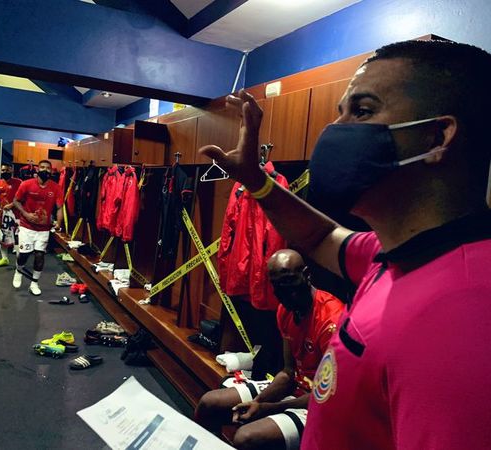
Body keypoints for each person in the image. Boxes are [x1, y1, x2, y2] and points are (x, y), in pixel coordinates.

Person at [199, 40, 491, 449]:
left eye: (362, 111)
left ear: (435, 137)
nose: (335, 130)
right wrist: (255, 180)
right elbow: (321, 237)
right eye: (340, 113)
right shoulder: (393, 254)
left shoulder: (463, 316)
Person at [195, 249, 343, 450]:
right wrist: (258, 401)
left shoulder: (331, 321)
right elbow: (288, 372)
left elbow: (327, 395)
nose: (285, 295)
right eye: (277, 288)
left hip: (322, 403)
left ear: (307, 275)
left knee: (246, 438)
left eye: (289, 283)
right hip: (296, 388)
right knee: (208, 403)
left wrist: (268, 408)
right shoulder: (286, 309)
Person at [12, 160, 63, 296]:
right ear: (37, 169)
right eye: (42, 167)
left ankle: (34, 283)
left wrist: (58, 222)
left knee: (40, 255)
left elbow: (59, 208)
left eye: (48, 168)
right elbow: (16, 201)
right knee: (24, 255)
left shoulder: (56, 187)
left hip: (43, 228)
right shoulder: (26, 184)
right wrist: (26, 214)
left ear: (51, 171)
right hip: (27, 226)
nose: (45, 170)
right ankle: (19, 270)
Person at [0, 162, 22, 267]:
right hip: (1, 215)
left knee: (17, 238)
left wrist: (12, 205)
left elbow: (23, 198)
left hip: (16, 216)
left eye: (7, 170)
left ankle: (19, 262)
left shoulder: (19, 183)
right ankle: (4, 259)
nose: (5, 172)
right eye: (3, 170)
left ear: (12, 170)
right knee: (2, 237)